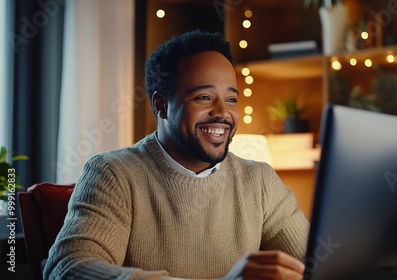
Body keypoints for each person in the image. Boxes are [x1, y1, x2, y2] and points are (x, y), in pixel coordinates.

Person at [43, 30, 310, 279]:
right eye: (204, 97)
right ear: (161, 105)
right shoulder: (113, 174)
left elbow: (317, 262)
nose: (222, 113)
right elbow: (68, 268)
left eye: (231, 99)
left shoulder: (259, 179)